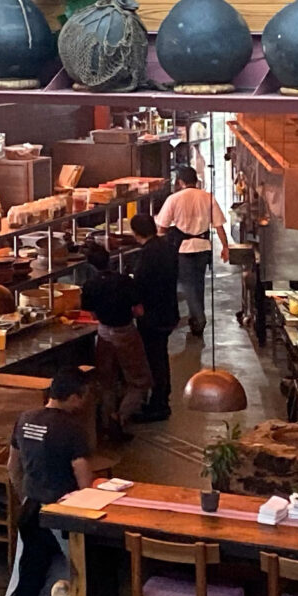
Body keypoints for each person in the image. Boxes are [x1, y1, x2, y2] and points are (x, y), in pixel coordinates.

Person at [7, 368, 96, 596]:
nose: (84, 404)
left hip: (32, 511)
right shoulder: (72, 429)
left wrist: (26, 496)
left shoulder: (24, 419)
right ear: (72, 397)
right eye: (82, 397)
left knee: (28, 584)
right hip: (63, 515)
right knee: (84, 579)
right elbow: (83, 480)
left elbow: (12, 466)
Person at [78, 254, 151, 426]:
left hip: (103, 334)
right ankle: (121, 417)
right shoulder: (125, 281)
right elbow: (139, 311)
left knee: (106, 383)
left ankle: (106, 421)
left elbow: (93, 315)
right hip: (126, 333)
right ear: (109, 260)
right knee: (139, 381)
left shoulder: (90, 285)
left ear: (90, 266)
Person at [155, 168, 228, 332]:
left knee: (187, 284)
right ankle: (195, 319)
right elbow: (219, 226)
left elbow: (162, 227)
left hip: (183, 248)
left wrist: (159, 247)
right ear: (196, 181)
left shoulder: (173, 199)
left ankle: (199, 318)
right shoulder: (207, 197)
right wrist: (225, 247)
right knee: (199, 283)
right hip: (203, 247)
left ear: (180, 182)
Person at [126, 210, 180, 421]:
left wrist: (134, 301)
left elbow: (140, 283)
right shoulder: (166, 247)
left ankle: (159, 405)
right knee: (160, 356)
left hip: (153, 315)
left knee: (154, 359)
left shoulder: (148, 254)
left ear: (136, 232)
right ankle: (162, 397)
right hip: (168, 310)